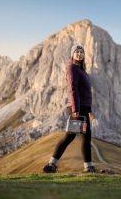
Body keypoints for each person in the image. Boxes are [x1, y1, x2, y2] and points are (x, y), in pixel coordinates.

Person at [43, 43, 96, 173]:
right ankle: (53, 165)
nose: (79, 54)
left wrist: (89, 110)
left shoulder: (81, 70)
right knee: (74, 137)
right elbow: (73, 90)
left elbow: (85, 93)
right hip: (77, 109)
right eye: (76, 52)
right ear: (72, 54)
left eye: (81, 52)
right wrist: (75, 110)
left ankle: (52, 164)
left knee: (76, 137)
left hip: (83, 108)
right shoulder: (72, 68)